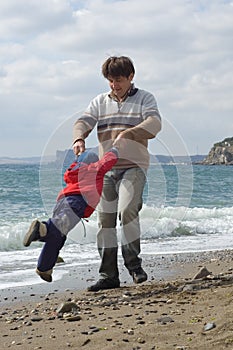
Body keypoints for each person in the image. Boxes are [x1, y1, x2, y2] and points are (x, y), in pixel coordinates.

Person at [73, 56, 162, 292]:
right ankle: (108, 276)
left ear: (131, 77)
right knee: (105, 221)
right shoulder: (100, 102)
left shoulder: (145, 99)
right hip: (107, 170)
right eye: (110, 81)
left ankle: (134, 265)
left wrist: (130, 133)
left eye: (119, 79)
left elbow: (154, 124)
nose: (114, 85)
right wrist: (79, 137)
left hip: (134, 166)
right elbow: (83, 121)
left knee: (127, 209)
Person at [23, 147, 119, 282]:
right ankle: (42, 229)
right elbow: (107, 162)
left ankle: (44, 267)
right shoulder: (94, 169)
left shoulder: (73, 171)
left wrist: (78, 157)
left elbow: (78, 164)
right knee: (56, 230)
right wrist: (114, 151)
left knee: (58, 236)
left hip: (62, 200)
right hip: (78, 201)